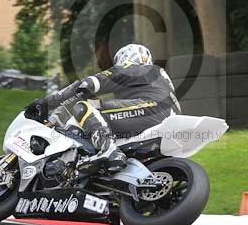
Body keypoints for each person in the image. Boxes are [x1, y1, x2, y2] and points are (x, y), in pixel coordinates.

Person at [26, 43, 181, 174]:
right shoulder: (156, 76)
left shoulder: (133, 69)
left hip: (150, 109)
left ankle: (109, 150)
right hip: (167, 119)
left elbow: (88, 84)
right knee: (98, 113)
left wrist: (47, 103)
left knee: (84, 107)